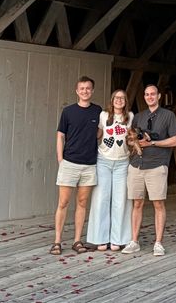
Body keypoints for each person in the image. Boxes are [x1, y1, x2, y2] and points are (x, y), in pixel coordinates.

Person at [122, 84, 176, 257]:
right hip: (137, 165)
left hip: (156, 164)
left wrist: (152, 142)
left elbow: (175, 141)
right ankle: (134, 241)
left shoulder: (168, 116)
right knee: (137, 203)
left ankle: (158, 243)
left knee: (158, 204)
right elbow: (130, 139)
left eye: (153, 94)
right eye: (147, 94)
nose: (150, 97)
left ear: (159, 96)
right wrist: (135, 142)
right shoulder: (138, 117)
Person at [50, 76, 102, 255]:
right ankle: (57, 241)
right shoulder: (68, 111)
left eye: (88, 88)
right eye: (82, 88)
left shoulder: (98, 111)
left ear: (92, 91)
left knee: (82, 203)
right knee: (63, 202)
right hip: (70, 163)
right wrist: (60, 160)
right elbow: (60, 136)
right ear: (77, 91)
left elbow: (100, 133)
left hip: (89, 165)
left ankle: (77, 240)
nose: (85, 91)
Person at [86, 89, 134, 251]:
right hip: (104, 161)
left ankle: (118, 239)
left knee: (121, 200)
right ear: (112, 100)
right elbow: (98, 133)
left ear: (126, 101)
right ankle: (100, 238)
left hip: (122, 163)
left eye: (122, 98)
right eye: (116, 98)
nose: (119, 100)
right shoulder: (103, 115)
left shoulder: (130, 117)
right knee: (101, 199)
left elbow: (133, 137)